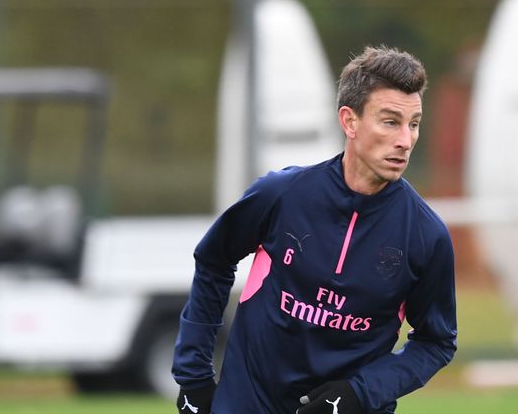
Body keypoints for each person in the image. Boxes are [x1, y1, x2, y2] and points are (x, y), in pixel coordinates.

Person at [172, 45, 457, 414]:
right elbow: (214, 259)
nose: (405, 140)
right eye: (390, 122)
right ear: (349, 121)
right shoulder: (281, 195)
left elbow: (436, 342)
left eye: (414, 124)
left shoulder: (425, 235)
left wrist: (360, 393)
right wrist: (193, 375)